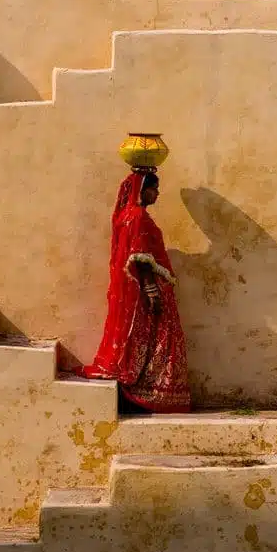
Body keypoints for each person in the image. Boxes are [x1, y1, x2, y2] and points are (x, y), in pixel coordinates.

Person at [78, 169, 191, 413]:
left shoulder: (127, 215)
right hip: (146, 288)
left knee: (143, 339)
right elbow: (139, 257)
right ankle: (147, 393)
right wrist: (151, 289)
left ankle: (137, 390)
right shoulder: (138, 217)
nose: (157, 194)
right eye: (154, 188)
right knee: (157, 338)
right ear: (142, 190)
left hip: (136, 289)